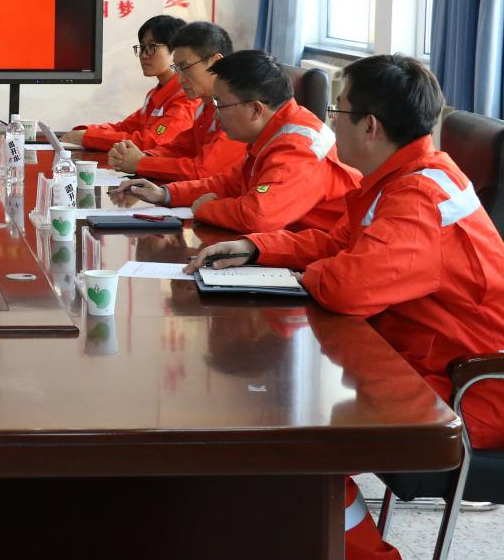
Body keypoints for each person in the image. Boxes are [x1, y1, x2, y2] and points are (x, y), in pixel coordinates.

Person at [187, 54, 504, 560]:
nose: (330, 121)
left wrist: (304, 275)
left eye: (338, 110)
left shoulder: (419, 196)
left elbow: (348, 287)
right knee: (279, 417)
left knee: (299, 439)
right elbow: (337, 243)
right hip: (420, 362)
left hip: (474, 388)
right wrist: (257, 248)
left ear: (370, 126)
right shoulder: (400, 178)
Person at [114, 50, 360, 232]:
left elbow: (258, 216)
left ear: (255, 110)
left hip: (322, 254)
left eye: (221, 104)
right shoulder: (272, 131)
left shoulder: (298, 147)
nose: (215, 113)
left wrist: (205, 209)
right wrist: (165, 194)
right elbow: (229, 183)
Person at [108, 21, 246, 180]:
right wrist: (142, 156)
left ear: (216, 63)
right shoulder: (206, 106)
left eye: (185, 67)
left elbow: (203, 171)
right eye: (177, 69)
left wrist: (140, 163)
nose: (179, 79)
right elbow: (180, 148)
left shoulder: (238, 109)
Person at [61, 15, 196, 150]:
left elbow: (152, 142)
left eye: (152, 46)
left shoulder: (186, 97)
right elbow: (125, 128)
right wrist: (86, 131)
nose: (144, 55)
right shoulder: (154, 94)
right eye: (142, 47)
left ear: (176, 51)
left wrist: (88, 137)